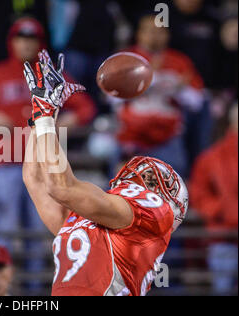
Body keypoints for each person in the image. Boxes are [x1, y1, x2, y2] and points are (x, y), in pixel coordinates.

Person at [22, 49, 189, 296]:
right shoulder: (90, 219)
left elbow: (61, 187)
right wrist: (42, 113)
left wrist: (46, 114)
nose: (141, 173)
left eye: (154, 179)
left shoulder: (152, 215)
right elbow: (34, 178)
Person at [0, 17, 95, 293]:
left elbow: (85, 107)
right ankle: (1, 292)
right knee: (6, 229)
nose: (26, 44)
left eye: (31, 39)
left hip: (44, 167)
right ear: (12, 42)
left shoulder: (51, 76)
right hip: (7, 162)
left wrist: (69, 121)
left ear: (39, 43)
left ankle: (34, 292)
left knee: (38, 232)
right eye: (21, 38)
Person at [109, 14, 206, 178]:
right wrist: (150, 79)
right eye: (149, 31)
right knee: (122, 187)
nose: (154, 35)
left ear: (167, 35)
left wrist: (179, 89)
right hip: (132, 136)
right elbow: (112, 97)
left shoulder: (179, 61)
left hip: (167, 136)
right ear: (139, 33)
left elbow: (198, 101)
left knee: (172, 191)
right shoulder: (124, 58)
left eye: (159, 31)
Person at [190, 102, 238, 295]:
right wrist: (222, 211)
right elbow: (199, 195)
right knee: (222, 290)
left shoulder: (210, 157)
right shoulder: (211, 158)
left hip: (223, 234)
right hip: (223, 236)